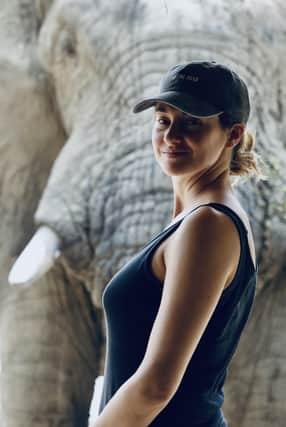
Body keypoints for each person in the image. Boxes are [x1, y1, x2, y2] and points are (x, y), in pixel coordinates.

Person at [94, 60, 263, 427]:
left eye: (192, 123)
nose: (171, 136)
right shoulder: (197, 219)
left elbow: (156, 385)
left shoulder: (208, 226)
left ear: (233, 134)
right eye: (163, 120)